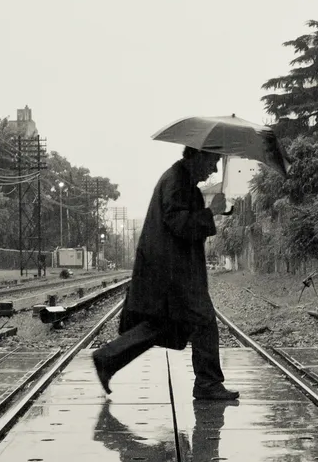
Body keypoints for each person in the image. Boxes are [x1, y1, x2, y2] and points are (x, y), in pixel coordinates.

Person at [92, 146, 238, 400]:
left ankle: (107, 359)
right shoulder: (177, 181)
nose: (213, 169)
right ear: (198, 155)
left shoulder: (181, 180)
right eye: (212, 161)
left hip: (171, 269)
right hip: (174, 271)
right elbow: (179, 224)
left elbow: (183, 218)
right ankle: (208, 383)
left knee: (160, 325)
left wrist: (214, 209)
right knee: (203, 321)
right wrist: (210, 212)